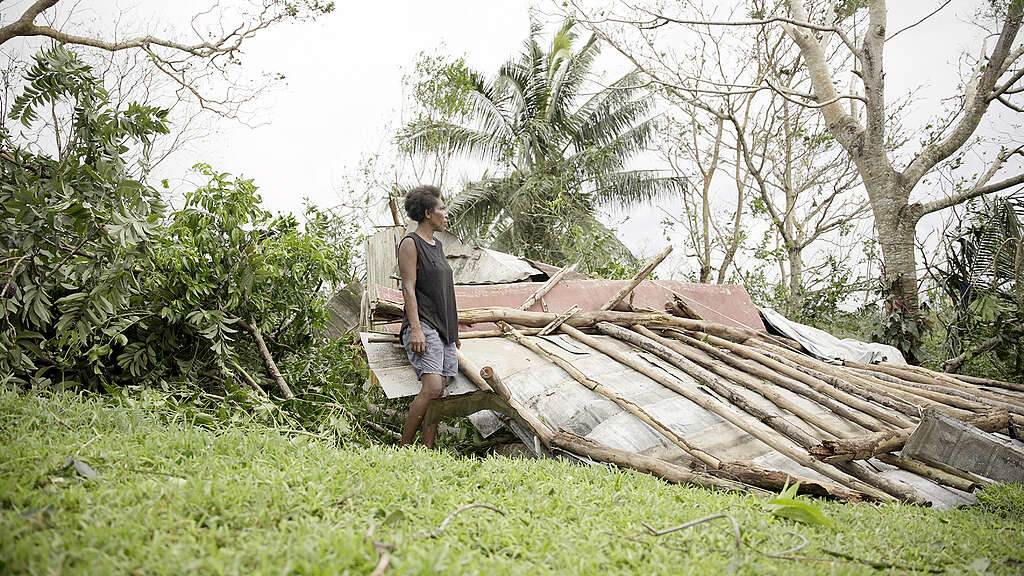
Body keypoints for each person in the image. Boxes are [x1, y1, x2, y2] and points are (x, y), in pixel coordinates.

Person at [397, 185, 460, 448]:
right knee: (433, 386)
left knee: (439, 391)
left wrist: (453, 334)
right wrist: (417, 329)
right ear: (427, 213)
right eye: (441, 209)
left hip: (443, 329)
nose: (446, 214)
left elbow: (445, 292)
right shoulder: (411, 244)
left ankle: (427, 450)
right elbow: (408, 287)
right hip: (423, 325)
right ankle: (403, 447)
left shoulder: (438, 246)